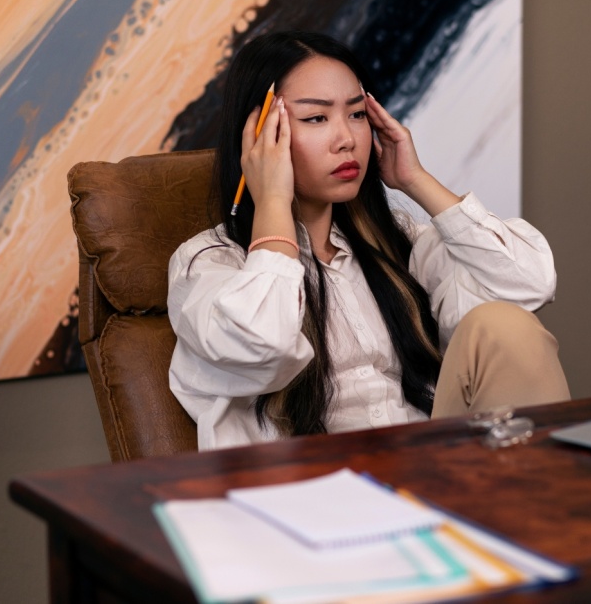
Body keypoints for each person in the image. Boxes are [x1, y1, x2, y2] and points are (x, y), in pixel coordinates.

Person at [167, 30, 569, 450]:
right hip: (315, 497)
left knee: (502, 326)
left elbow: (530, 285)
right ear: (259, 137)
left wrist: (416, 181)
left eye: (357, 114)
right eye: (316, 118)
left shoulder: (398, 242)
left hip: (435, 474)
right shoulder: (208, 264)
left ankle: (533, 507)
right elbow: (263, 344)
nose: (347, 139)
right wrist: (271, 199)